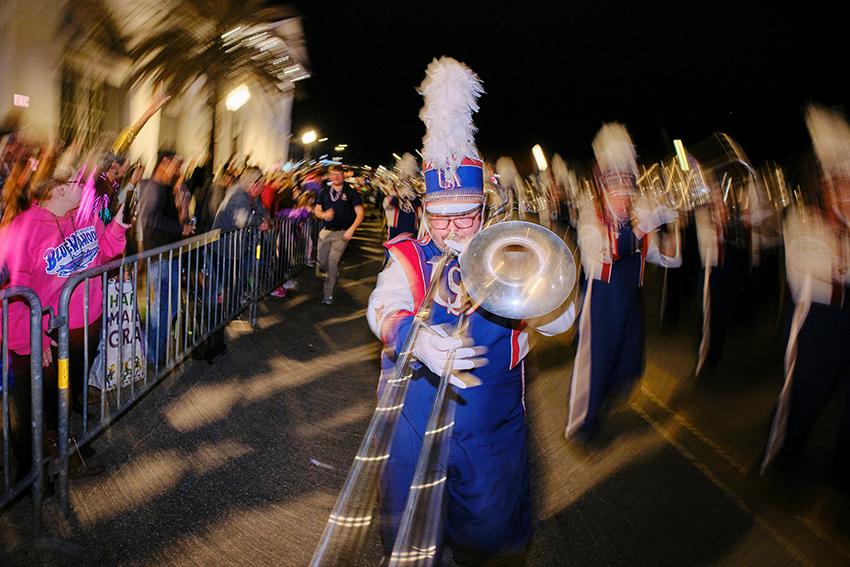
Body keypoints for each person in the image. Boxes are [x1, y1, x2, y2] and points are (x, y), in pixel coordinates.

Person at [367, 56, 576, 565]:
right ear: (426, 214)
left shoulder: (510, 253)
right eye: (442, 218)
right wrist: (412, 338)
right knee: (414, 534)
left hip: (492, 429)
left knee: (491, 537)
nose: (455, 230)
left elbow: (564, 321)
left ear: (483, 211)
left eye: (466, 216)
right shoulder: (407, 256)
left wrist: (528, 283)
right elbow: (382, 305)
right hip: (414, 423)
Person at [0, 168, 129, 480]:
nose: (85, 187)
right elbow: (13, 297)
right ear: (57, 190)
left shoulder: (84, 216)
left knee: (64, 394)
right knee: (33, 411)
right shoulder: (23, 231)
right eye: (77, 182)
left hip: (84, 327)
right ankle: (32, 482)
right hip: (45, 338)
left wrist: (119, 226)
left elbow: (104, 254)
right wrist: (33, 341)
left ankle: (63, 452)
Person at [565, 122, 681, 443]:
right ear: (603, 188)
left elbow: (670, 258)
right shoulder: (591, 216)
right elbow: (606, 252)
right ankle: (580, 425)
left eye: (627, 186)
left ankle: (603, 401)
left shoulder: (636, 217)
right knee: (594, 363)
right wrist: (647, 223)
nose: (623, 195)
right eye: (616, 188)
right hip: (601, 302)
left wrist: (671, 223)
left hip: (631, 302)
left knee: (629, 365)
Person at [762, 104, 850, 489]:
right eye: (839, 183)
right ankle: (781, 460)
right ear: (823, 184)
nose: (846, 192)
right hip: (814, 322)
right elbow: (815, 271)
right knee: (802, 397)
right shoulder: (802, 219)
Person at [137, 150, 194, 364]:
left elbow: (176, 216)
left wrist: (183, 208)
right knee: (159, 311)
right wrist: (180, 228)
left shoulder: (169, 188)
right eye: (176, 164)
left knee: (166, 310)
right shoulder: (153, 187)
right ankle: (151, 356)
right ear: (164, 162)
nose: (179, 169)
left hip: (169, 256)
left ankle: (152, 352)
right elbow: (149, 218)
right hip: (159, 258)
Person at [314, 164, 364, 304]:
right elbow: (317, 210)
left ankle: (327, 294)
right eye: (333, 174)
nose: (335, 177)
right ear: (329, 176)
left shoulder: (351, 192)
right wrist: (324, 215)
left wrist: (351, 229)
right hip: (326, 232)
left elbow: (360, 213)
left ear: (344, 175)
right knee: (322, 262)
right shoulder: (324, 192)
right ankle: (329, 271)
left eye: (338, 174)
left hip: (342, 233)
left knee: (332, 262)